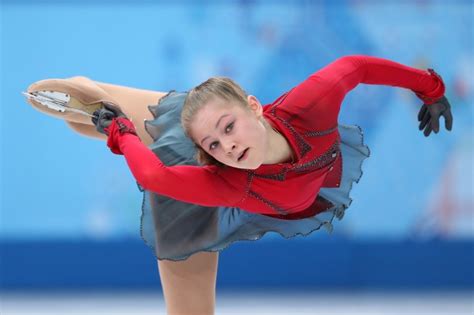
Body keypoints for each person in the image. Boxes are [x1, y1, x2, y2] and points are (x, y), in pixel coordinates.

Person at [25, 54, 453, 315]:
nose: (229, 145)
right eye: (218, 142)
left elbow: (355, 67)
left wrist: (432, 88)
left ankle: (100, 119)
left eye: (231, 128)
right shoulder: (225, 176)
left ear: (255, 106)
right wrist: (121, 134)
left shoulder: (310, 106)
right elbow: (156, 177)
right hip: (192, 186)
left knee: (179, 116)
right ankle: (96, 106)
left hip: (198, 143)